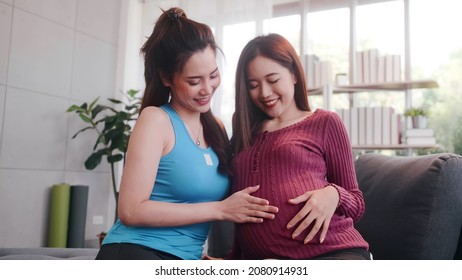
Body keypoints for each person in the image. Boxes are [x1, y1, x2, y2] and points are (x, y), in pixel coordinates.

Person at [95, 7, 278, 260]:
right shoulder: (156, 120)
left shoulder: (217, 128)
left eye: (213, 75)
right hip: (135, 251)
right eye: (194, 81)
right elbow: (131, 210)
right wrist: (220, 210)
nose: (207, 88)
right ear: (166, 78)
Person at [228, 33, 370, 259]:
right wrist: (232, 259)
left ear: (293, 74)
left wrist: (334, 194)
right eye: (253, 85)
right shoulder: (244, 127)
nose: (264, 93)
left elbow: (357, 203)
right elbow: (245, 206)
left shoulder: (324, 122)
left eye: (273, 80)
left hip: (331, 253)